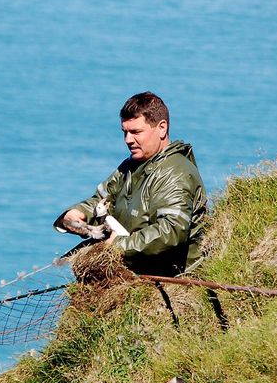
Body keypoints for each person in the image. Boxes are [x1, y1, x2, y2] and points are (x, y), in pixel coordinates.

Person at [54, 91, 207, 276]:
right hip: (136, 276)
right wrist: (77, 214)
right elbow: (102, 200)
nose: (128, 140)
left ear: (162, 128)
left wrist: (118, 245)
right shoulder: (131, 166)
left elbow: (171, 231)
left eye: (136, 132)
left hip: (172, 281)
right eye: (125, 132)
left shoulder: (176, 172)